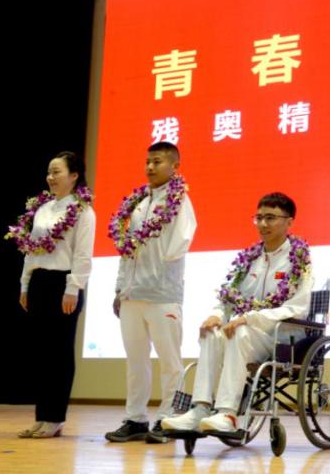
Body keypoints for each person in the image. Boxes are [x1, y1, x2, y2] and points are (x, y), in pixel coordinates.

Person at [162, 192, 314, 433]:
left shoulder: (299, 260)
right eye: (259, 218)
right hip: (246, 334)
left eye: (271, 218)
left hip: (280, 337)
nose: (263, 224)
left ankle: (228, 413)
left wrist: (249, 318)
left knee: (240, 332)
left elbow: (297, 307)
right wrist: (216, 315)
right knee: (212, 332)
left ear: (289, 222)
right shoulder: (249, 260)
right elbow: (228, 298)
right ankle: (200, 409)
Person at [105, 141, 197, 443]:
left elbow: (179, 244)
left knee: (170, 361)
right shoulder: (139, 202)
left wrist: (156, 270)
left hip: (162, 294)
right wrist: (120, 289)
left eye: (157, 161)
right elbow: (127, 250)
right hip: (132, 295)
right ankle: (135, 419)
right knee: (136, 361)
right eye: (147, 161)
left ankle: (168, 419)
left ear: (175, 166)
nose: (150, 167)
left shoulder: (179, 200)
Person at [8, 151, 95, 439]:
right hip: (39, 283)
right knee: (42, 353)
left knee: (59, 353)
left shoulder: (83, 211)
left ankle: (55, 417)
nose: (50, 177)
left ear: (74, 176)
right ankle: (41, 416)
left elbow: (82, 255)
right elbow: (31, 250)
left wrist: (73, 288)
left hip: (63, 285)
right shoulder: (43, 209)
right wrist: (25, 284)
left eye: (57, 172)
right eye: (49, 172)